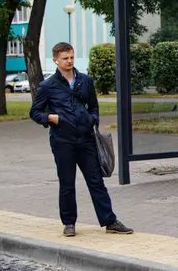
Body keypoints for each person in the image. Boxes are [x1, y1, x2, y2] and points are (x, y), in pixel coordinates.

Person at [30, 42, 133, 237]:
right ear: (55, 60)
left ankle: (110, 221)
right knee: (67, 183)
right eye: (65, 58)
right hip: (62, 141)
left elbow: (94, 106)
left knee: (96, 181)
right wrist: (50, 118)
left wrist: (92, 120)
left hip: (86, 139)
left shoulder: (85, 81)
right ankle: (69, 223)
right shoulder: (47, 86)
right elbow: (34, 112)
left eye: (71, 57)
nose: (69, 61)